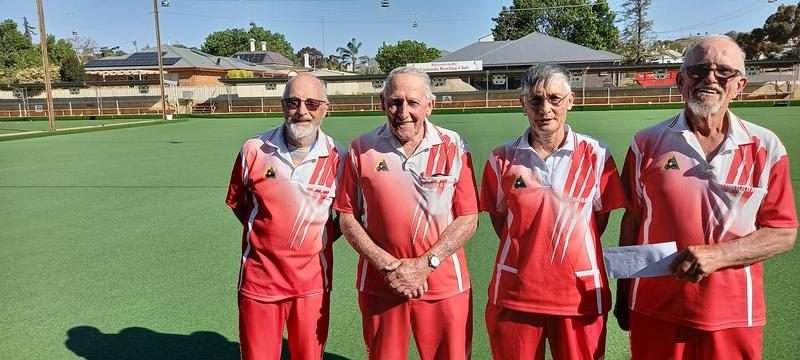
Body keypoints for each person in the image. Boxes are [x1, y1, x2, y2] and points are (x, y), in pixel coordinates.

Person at [615, 35, 797, 359]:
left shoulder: (766, 147)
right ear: (680, 80)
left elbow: (782, 232)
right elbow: (633, 220)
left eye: (723, 72)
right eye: (698, 70)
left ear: (739, 85)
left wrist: (718, 256)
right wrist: (624, 296)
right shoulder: (645, 143)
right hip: (655, 311)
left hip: (736, 316)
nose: (710, 79)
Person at [479, 64, 626, 359]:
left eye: (554, 99)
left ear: (570, 101)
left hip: (578, 294)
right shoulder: (502, 158)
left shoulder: (597, 154)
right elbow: (501, 221)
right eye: (535, 100)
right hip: (515, 293)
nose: (545, 108)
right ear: (523, 105)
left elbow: (598, 221)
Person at [333, 66, 479, 360]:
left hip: (444, 283)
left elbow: (468, 217)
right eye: (394, 101)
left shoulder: (454, 146)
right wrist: (388, 266)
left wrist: (426, 264)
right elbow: (347, 216)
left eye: (412, 102)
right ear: (382, 102)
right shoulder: (362, 148)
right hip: (381, 283)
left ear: (429, 105)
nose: (403, 111)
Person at [225, 73, 342, 360]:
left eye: (312, 103)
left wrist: (312, 240)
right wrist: (273, 235)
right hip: (259, 282)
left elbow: (344, 220)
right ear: (282, 105)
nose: (302, 111)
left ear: (326, 108)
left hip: (312, 285)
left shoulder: (341, 158)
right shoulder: (253, 149)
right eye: (293, 102)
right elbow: (241, 205)